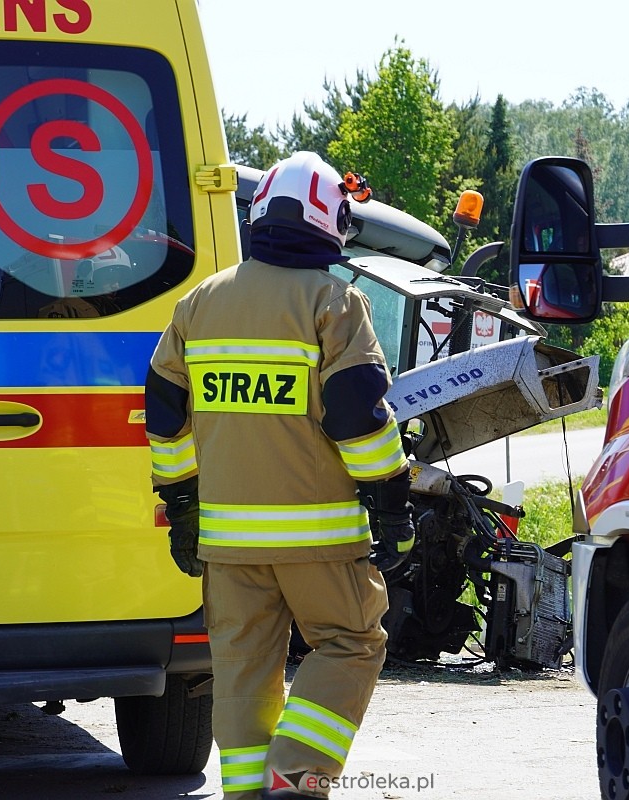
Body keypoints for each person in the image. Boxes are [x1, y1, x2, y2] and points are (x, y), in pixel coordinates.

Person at [143, 151, 416, 800]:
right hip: (319, 540)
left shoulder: (199, 304)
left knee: (242, 674)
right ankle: (293, 783)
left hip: (230, 546)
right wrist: (391, 503)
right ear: (328, 221)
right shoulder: (334, 302)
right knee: (351, 645)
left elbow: (161, 414)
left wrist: (183, 505)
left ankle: (248, 793)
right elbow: (359, 417)